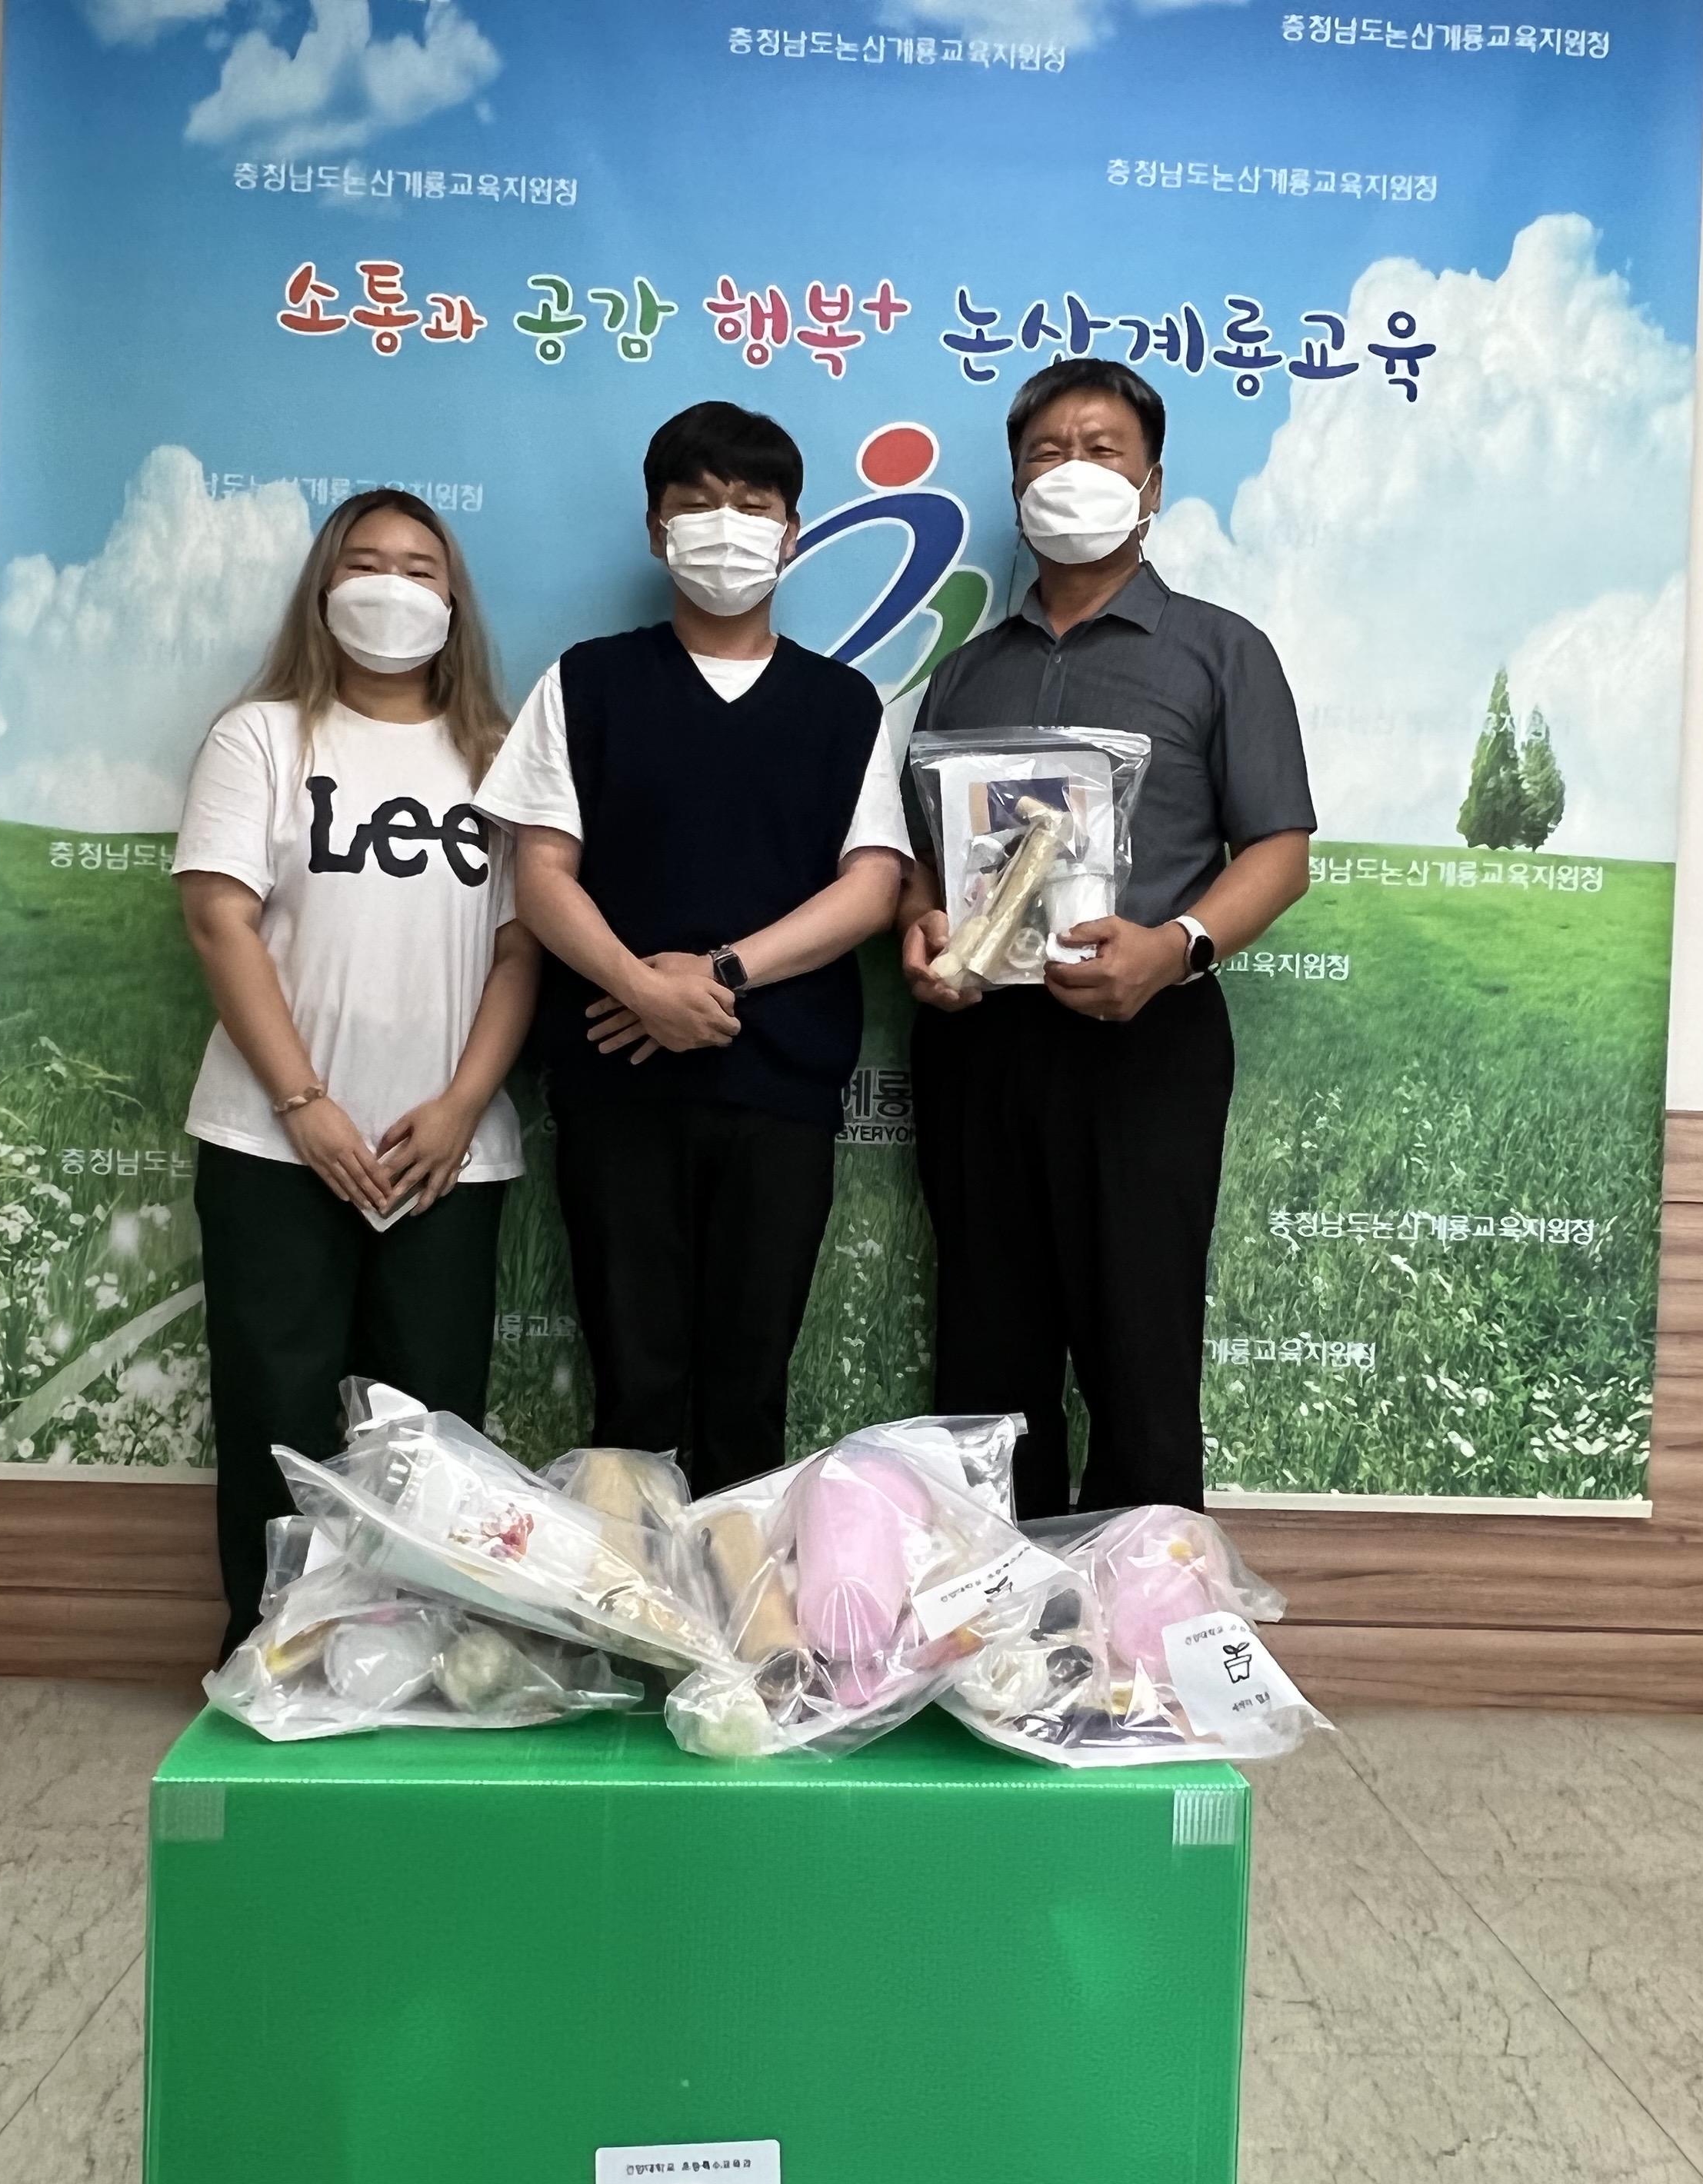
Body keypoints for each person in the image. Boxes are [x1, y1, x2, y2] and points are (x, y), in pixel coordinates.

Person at [900, 359, 1316, 1520]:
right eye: (1047, 452)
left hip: (1148, 1037)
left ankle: (1147, 1608)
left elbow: (1280, 853)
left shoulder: (1220, 652)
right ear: (1016, 485)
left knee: (1141, 1353)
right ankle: (999, 1609)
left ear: (1152, 483)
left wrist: (1175, 948)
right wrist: (923, 929)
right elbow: (925, 864)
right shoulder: (965, 675)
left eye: (1101, 449)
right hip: (982, 1045)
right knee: (988, 1354)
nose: (1071, 470)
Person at [485, 401, 908, 1493]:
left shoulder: (845, 705)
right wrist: (638, 986)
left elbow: (872, 887)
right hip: (615, 1080)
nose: (727, 526)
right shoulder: (587, 682)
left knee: (748, 1387)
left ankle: (734, 1599)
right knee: (633, 1383)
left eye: (752, 506)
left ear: (793, 533)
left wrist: (716, 975)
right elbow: (541, 875)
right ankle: (632, 1594)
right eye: (699, 504)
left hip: (780, 1091)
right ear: (656, 528)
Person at [173, 487, 538, 1651]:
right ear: (324, 589)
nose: (393, 587)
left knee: (431, 1431)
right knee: (275, 1416)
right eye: (365, 563)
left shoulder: (503, 757)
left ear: (454, 600)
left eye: (420, 569)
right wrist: (305, 1104)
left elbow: (523, 948)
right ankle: (270, 1655)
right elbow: (219, 919)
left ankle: (416, 1659)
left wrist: (464, 1105)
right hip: (272, 1143)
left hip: (445, 1155)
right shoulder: (261, 737)